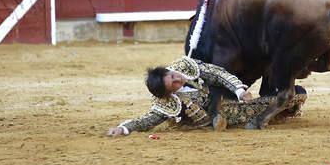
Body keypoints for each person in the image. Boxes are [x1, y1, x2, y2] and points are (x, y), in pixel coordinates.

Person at [107, 56, 307, 136]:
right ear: (168, 94)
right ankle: (215, 119)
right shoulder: (167, 103)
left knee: (298, 93)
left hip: (231, 100)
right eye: (173, 85)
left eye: (173, 76)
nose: (179, 81)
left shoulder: (184, 67)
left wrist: (239, 89)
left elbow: (217, 73)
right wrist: (124, 128)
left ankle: (286, 112)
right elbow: (147, 121)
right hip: (223, 115)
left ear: (168, 70)